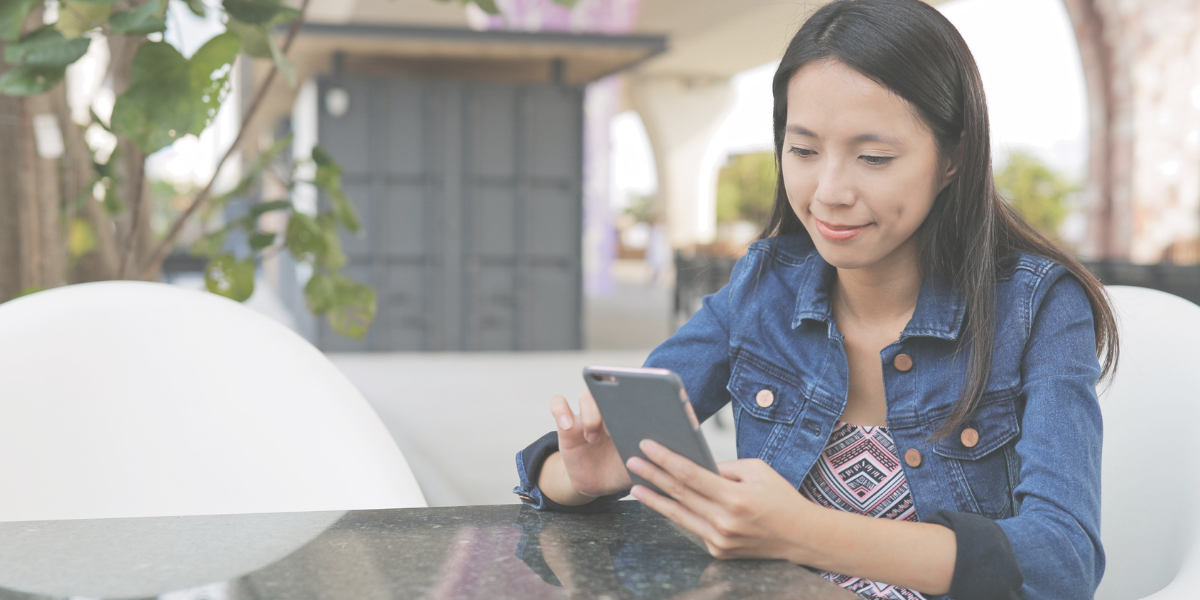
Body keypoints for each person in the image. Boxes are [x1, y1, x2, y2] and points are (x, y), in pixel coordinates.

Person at [512, 1, 1119, 598]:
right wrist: (581, 477)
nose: (828, 192)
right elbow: (605, 448)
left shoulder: (1038, 308)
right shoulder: (763, 287)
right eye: (803, 151)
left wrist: (802, 533)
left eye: (873, 157)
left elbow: (1061, 562)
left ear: (953, 157)